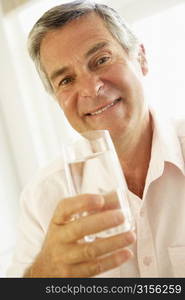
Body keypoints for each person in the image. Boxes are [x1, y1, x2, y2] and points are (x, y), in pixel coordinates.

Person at [7, 0, 185, 278]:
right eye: (66, 80)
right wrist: (45, 272)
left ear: (140, 58)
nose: (91, 88)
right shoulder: (43, 197)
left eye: (101, 60)